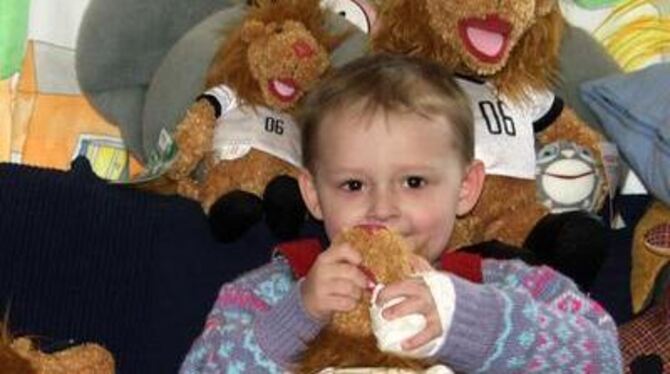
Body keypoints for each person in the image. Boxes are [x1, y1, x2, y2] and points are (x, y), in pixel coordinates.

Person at [180, 53, 622, 373]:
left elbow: (603, 357)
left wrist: (464, 318)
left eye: (414, 182)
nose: (383, 209)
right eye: (353, 185)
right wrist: (299, 316)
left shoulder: (507, 283)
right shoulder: (273, 291)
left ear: (466, 187)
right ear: (313, 195)